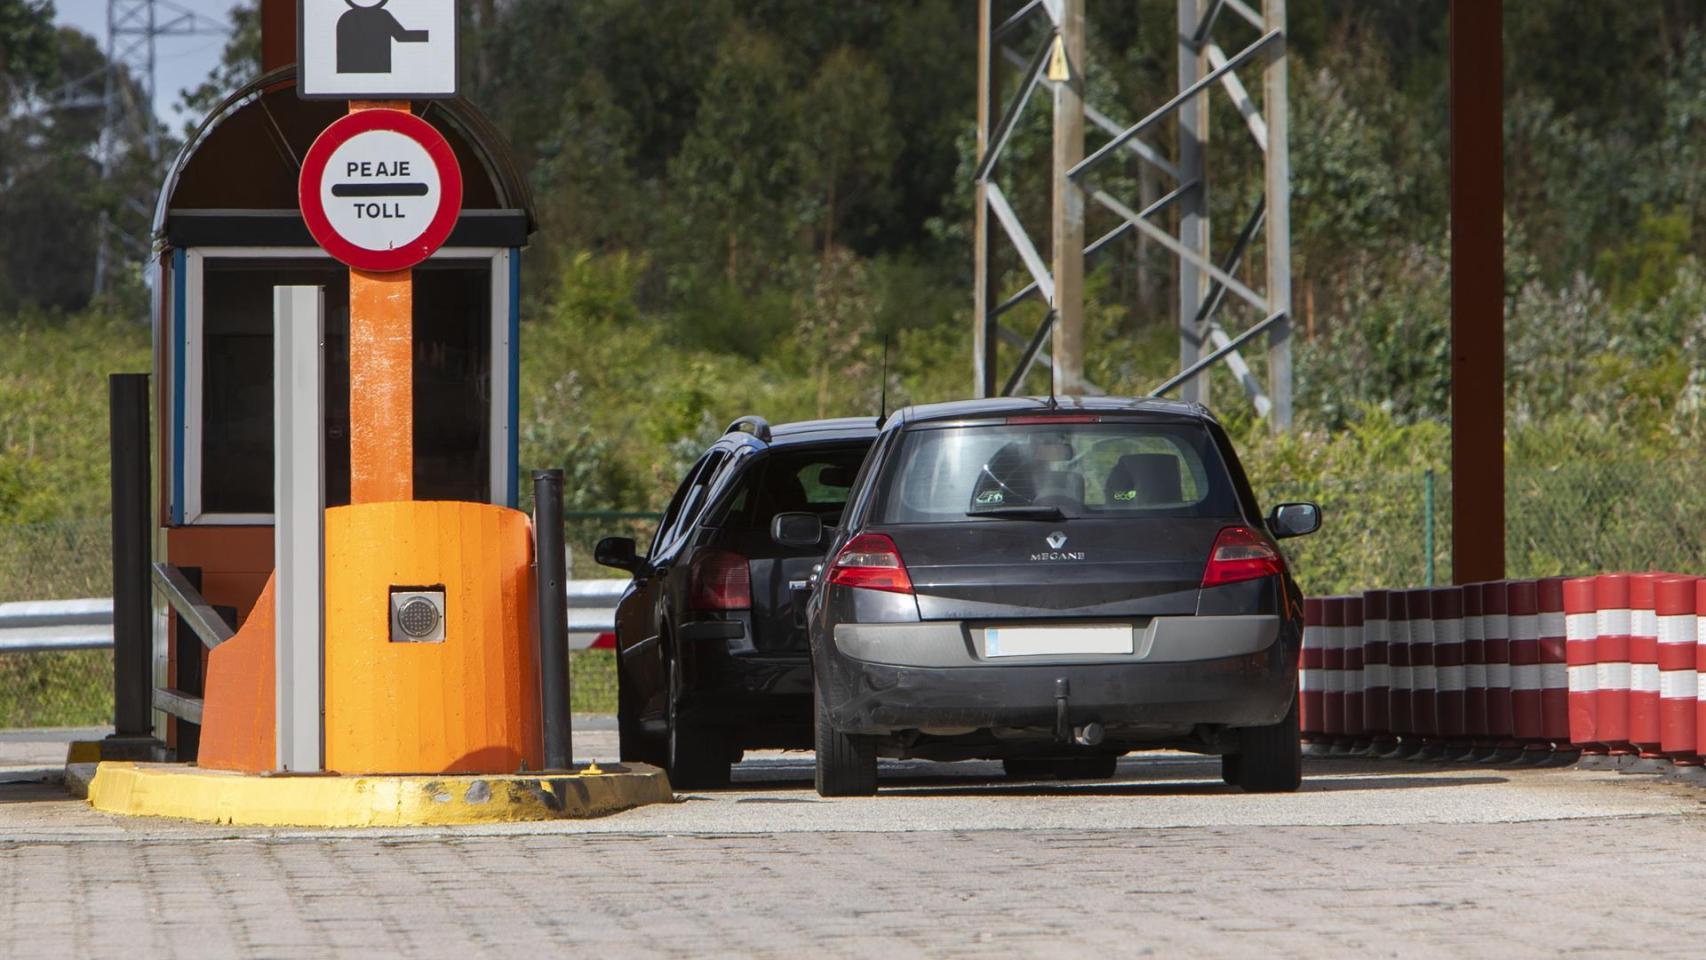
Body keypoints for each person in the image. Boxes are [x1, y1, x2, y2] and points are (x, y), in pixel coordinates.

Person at [336, 0, 429, 75]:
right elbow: (402, 36)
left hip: (375, 71)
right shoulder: (382, 15)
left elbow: (401, 36)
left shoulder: (346, 18)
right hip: (371, 71)